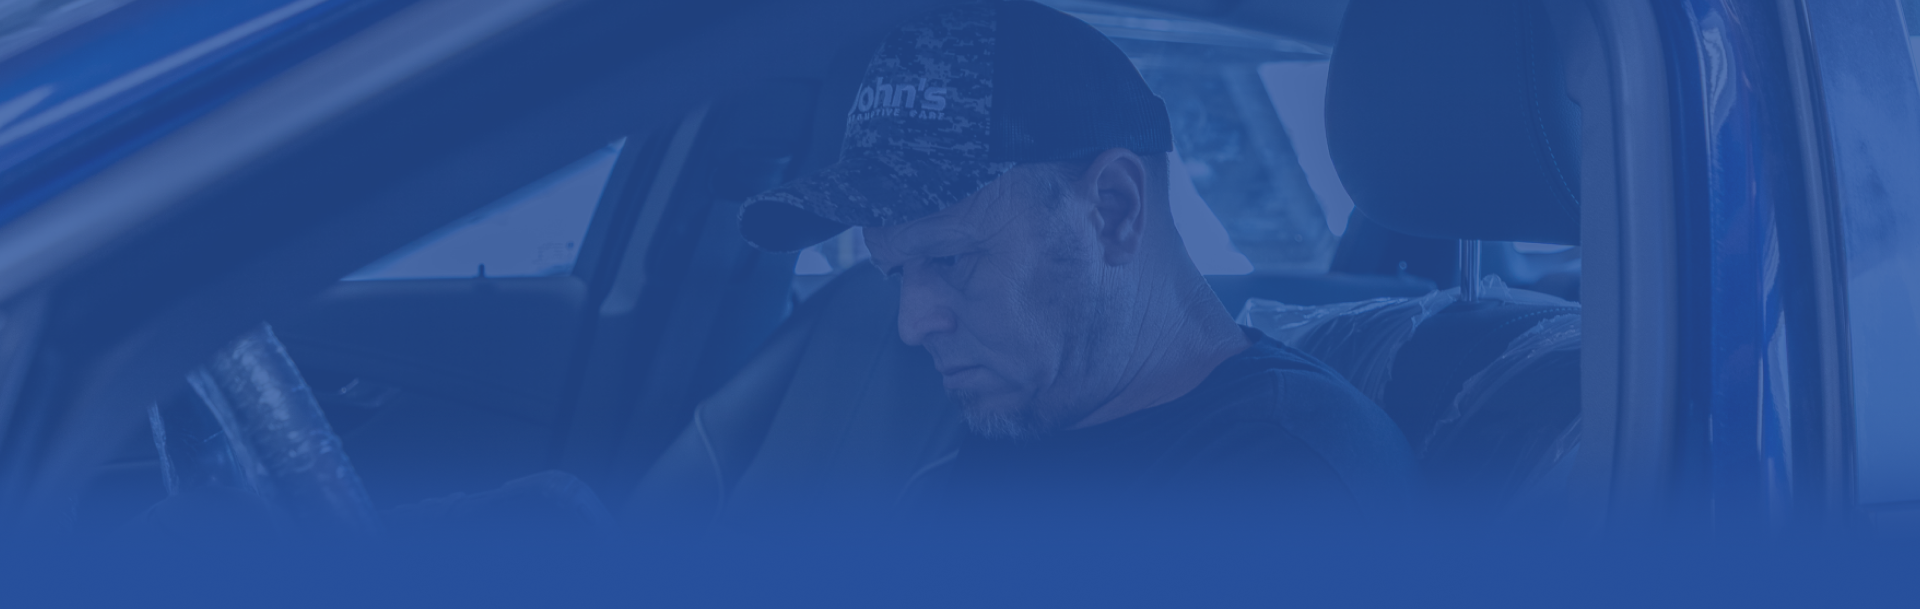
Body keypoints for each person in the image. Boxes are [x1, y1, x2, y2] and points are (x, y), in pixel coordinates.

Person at [738, 0, 1414, 523]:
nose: (913, 323)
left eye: (949, 259)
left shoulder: (1285, 482)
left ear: (1114, 211)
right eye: (895, 272)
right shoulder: (1023, 408)